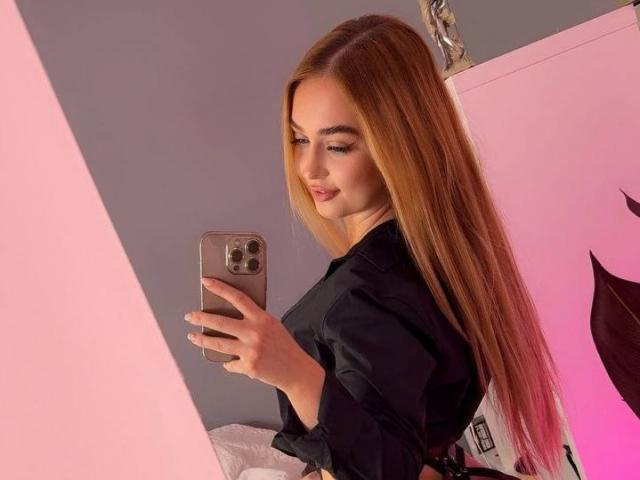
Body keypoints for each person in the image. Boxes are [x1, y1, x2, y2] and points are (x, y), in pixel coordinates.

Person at [185, 12, 565, 480]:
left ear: (400, 143)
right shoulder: (443, 262)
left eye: (338, 146)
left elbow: (387, 468)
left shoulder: (369, 292)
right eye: (299, 139)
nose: (308, 167)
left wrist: (293, 373)